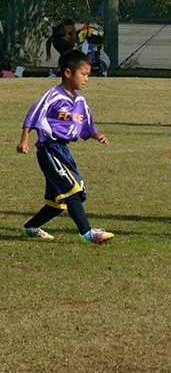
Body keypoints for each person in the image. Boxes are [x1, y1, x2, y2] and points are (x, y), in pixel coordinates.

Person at [16, 50, 114, 242]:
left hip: (63, 151)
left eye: (88, 75)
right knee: (73, 189)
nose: (86, 79)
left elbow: (86, 127)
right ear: (68, 73)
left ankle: (29, 227)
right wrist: (24, 140)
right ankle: (86, 232)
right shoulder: (54, 95)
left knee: (56, 203)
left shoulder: (80, 102)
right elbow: (34, 114)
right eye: (83, 74)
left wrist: (96, 135)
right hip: (49, 149)